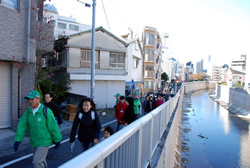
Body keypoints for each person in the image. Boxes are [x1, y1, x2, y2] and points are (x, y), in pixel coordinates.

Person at [14, 90, 62, 168]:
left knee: (36, 162)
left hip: (44, 141)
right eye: (29, 99)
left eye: (32, 99)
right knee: (41, 161)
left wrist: (57, 139)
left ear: (38, 99)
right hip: (33, 142)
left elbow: (53, 126)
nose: (30, 101)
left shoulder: (46, 111)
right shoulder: (28, 112)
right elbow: (22, 126)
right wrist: (18, 140)